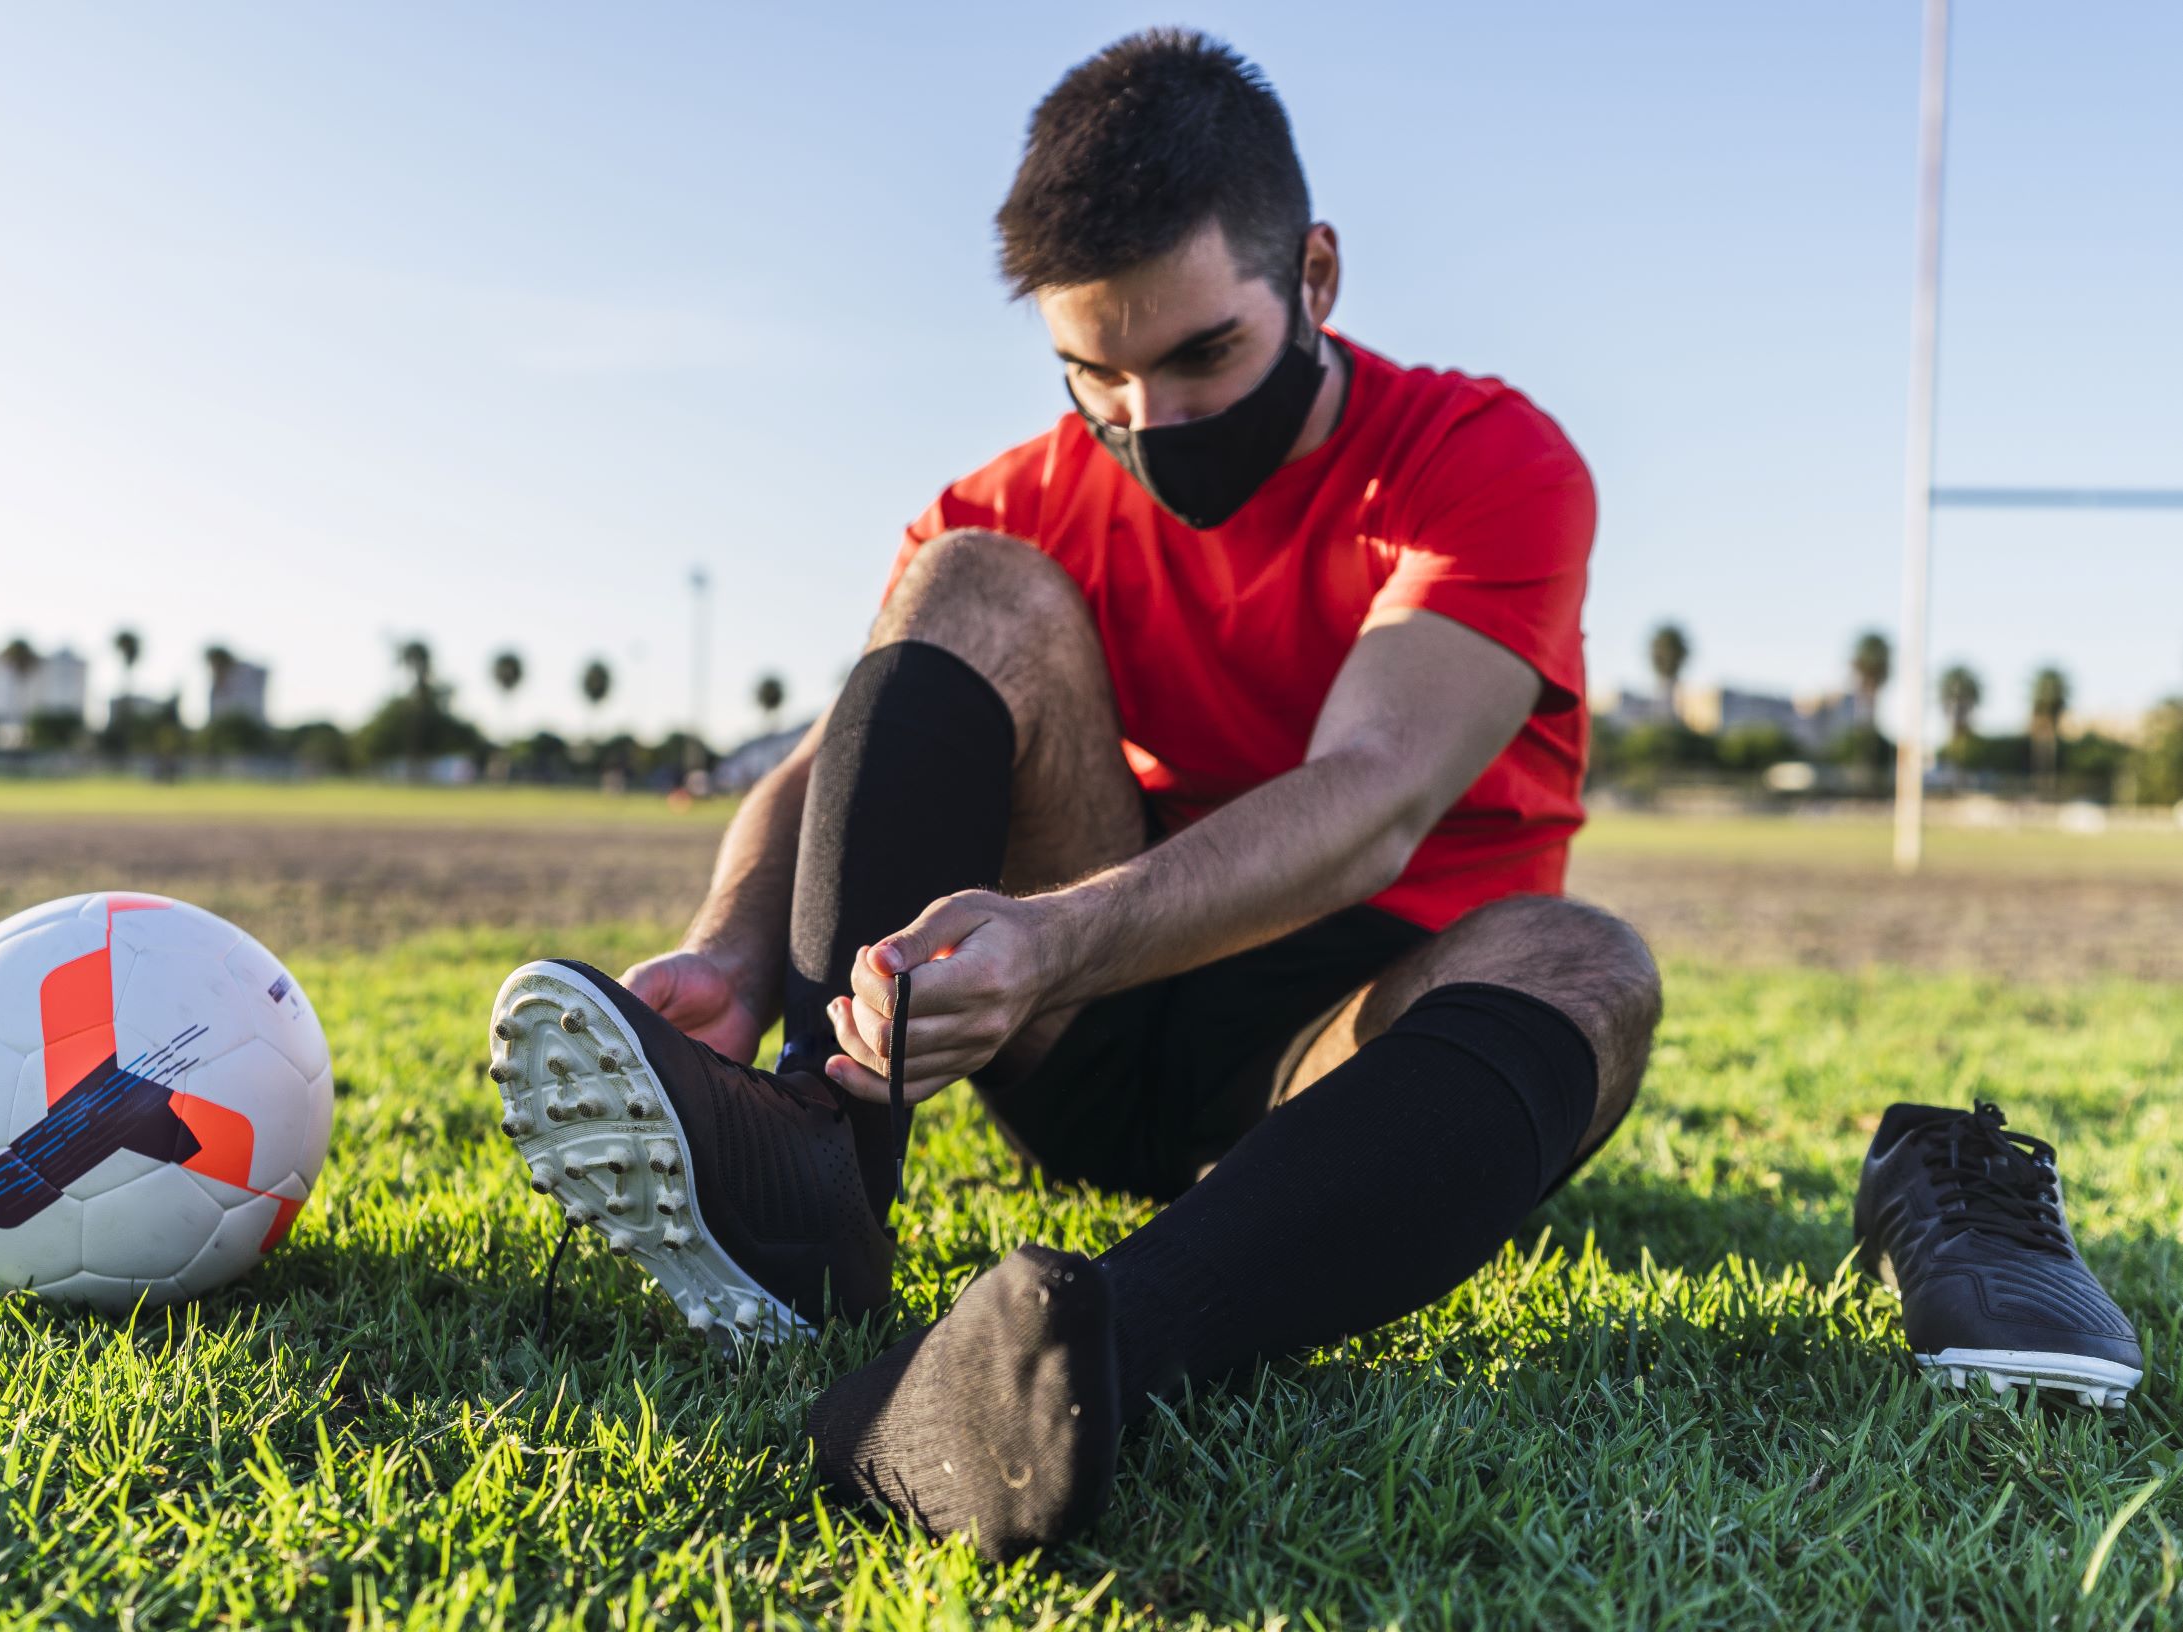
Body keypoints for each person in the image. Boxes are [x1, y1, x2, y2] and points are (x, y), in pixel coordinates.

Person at [481, 29, 2134, 1562]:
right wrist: (728, 942)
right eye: (1095, 376)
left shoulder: (1482, 459)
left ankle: (1070, 1363)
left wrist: (1051, 938)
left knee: (1585, 961)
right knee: (969, 585)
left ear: (1314, 273)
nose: (1151, 419)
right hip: (1078, 1022)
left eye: (1202, 354)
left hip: (1343, 1048)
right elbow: (841, 745)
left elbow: (1368, 801)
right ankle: (816, 1172)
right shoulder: (1023, 495)